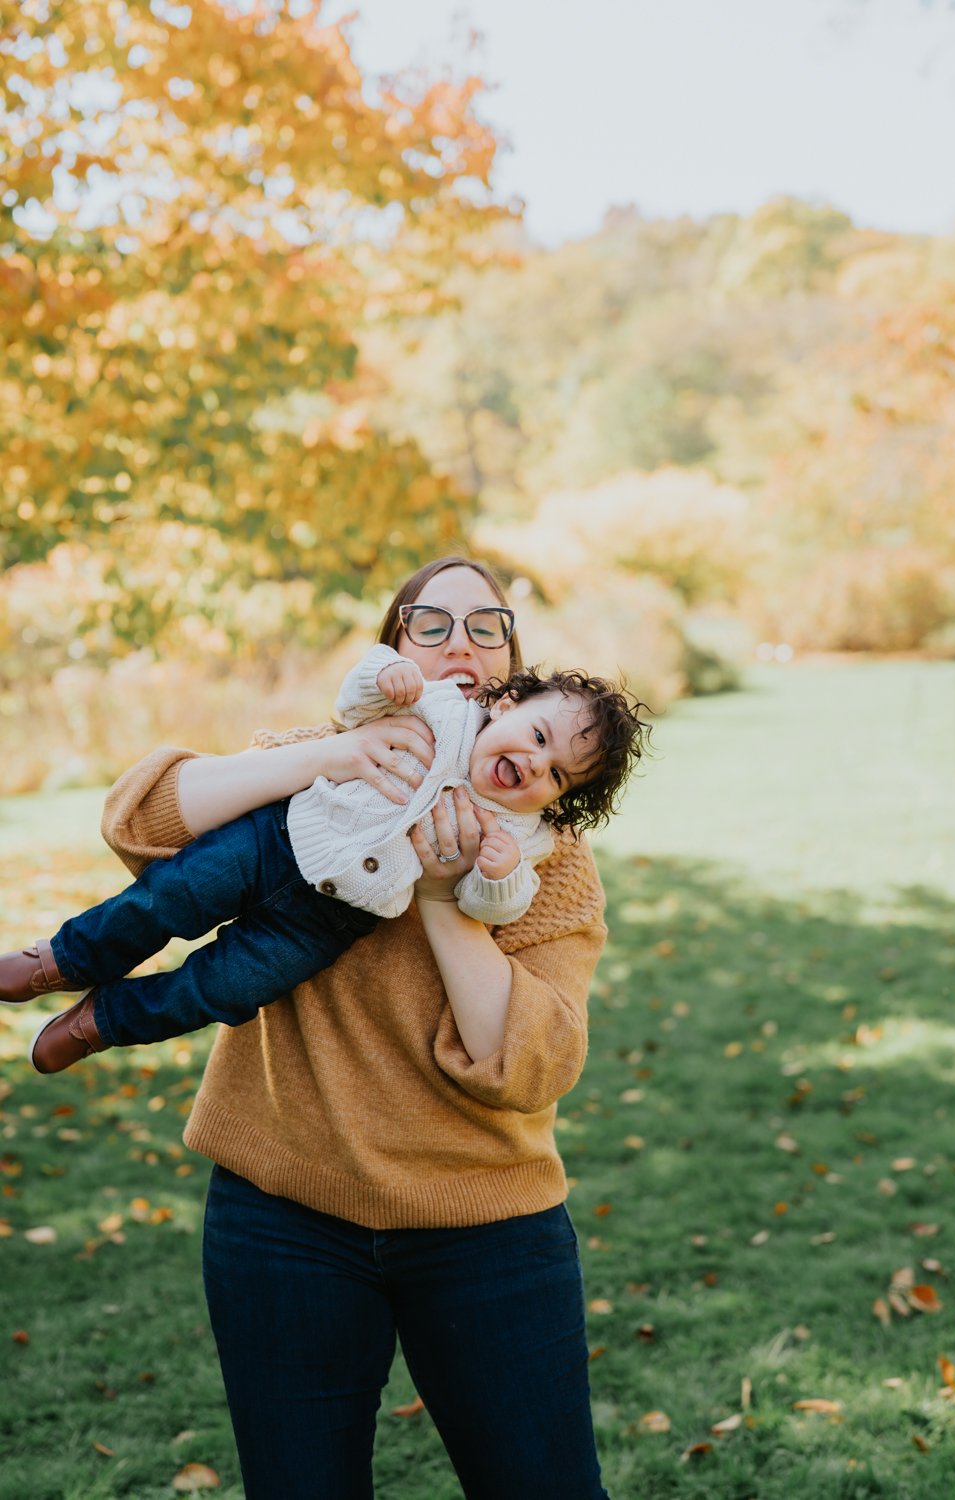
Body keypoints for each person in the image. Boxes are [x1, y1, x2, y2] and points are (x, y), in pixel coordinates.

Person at [38, 556, 636, 1499]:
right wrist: (323, 757)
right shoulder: (323, 755)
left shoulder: (536, 856)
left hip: (483, 1225)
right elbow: (139, 819)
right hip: (282, 1215)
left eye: (487, 627)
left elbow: (533, 1063)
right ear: (397, 643)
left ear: (512, 674)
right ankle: (79, 992)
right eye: (431, 623)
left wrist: (444, 901)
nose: (458, 643)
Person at [0, 640, 645, 1076]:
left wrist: (498, 876)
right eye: (537, 736)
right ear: (503, 705)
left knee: (225, 987)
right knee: (165, 899)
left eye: (557, 775)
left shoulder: (525, 836)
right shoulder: (444, 707)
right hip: (275, 839)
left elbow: (488, 905)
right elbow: (354, 704)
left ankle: (104, 1021)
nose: (535, 762)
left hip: (330, 922)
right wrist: (386, 677)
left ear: (560, 801)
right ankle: (60, 959)